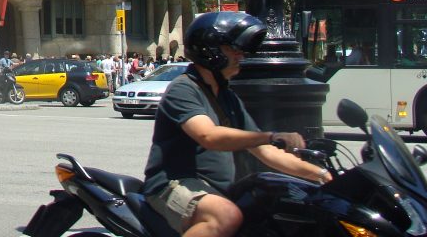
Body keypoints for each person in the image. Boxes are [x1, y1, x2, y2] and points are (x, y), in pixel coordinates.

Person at [142, 12, 332, 237]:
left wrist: (323, 177)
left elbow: (267, 152)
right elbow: (208, 136)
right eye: (233, 49)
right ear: (210, 51)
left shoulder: (228, 98)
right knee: (225, 216)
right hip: (173, 186)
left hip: (218, 190)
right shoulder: (184, 89)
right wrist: (270, 135)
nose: (241, 55)